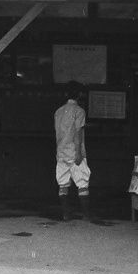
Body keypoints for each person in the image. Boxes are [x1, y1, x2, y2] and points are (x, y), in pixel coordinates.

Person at [53, 82, 90, 222]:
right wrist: (79, 152)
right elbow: (78, 132)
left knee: (62, 184)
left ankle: (66, 215)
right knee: (82, 183)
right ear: (79, 95)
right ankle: (86, 215)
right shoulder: (79, 111)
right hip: (74, 152)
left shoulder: (58, 111)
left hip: (61, 151)